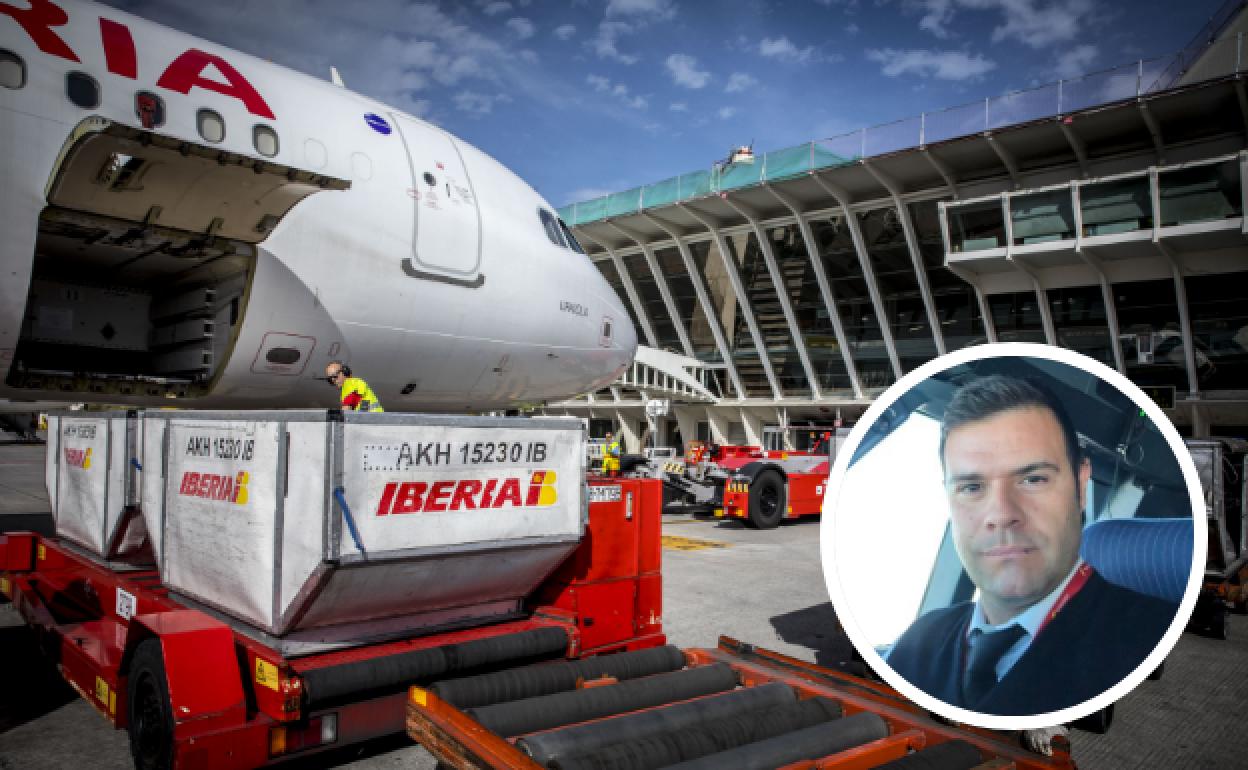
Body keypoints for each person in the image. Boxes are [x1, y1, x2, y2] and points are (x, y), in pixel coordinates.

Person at [885, 375, 1178, 716]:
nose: (1002, 514)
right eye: (971, 487)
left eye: (1033, 479)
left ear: (1080, 487)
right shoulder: (921, 638)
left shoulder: (1151, 639)